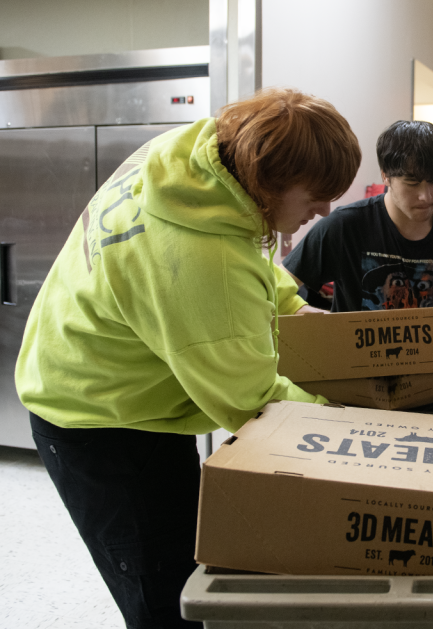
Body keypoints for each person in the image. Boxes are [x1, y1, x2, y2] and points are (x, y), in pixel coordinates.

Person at [15, 88, 362, 628]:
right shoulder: (202, 265)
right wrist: (353, 405)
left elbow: (243, 247)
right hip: (96, 417)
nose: (326, 210)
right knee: (163, 592)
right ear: (267, 183)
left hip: (100, 370)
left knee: (187, 548)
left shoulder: (193, 161)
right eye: (316, 195)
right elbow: (254, 403)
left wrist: (298, 310)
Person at [283, 120, 433, 314]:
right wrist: (303, 312)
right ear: (386, 176)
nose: (426, 196)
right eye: (412, 182)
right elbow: (278, 285)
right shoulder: (345, 227)